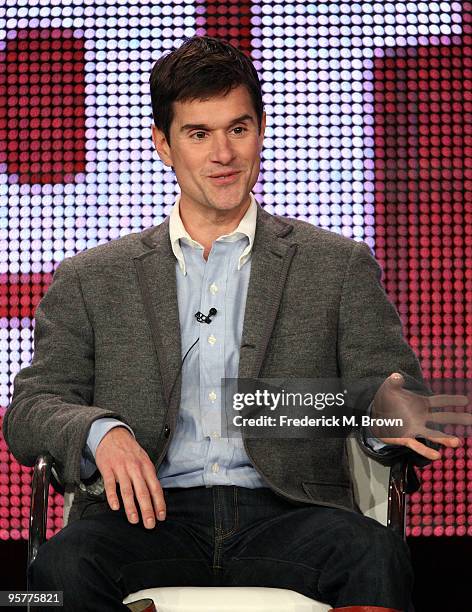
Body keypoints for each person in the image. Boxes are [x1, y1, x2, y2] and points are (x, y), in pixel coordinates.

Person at [3, 35, 467, 612]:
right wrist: (102, 432)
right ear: (164, 146)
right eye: (199, 134)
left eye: (237, 129)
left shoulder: (337, 264)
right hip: (144, 518)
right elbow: (30, 410)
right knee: (46, 582)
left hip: (294, 515)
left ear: (261, 130)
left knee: (374, 556)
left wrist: (391, 418)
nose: (223, 153)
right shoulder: (91, 277)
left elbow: (395, 398)